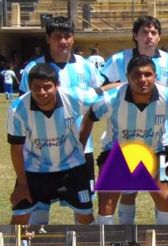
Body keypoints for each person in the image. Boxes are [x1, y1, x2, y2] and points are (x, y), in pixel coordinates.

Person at [100, 16, 168, 224]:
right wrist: (121, 87)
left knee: (164, 194)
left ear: (159, 37)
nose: (149, 37)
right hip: (126, 139)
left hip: (162, 140)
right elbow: (99, 87)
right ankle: (125, 231)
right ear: (135, 35)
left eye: (153, 33)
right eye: (144, 32)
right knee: (128, 191)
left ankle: (164, 230)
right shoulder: (119, 60)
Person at [80, 55, 168, 225]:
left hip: (153, 152)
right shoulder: (111, 99)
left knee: (167, 203)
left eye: (147, 74)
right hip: (117, 154)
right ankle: (106, 238)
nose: (142, 79)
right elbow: (90, 117)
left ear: (155, 76)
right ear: (128, 77)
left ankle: (167, 236)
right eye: (136, 75)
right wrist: (80, 149)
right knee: (106, 208)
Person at [18, 17, 104, 226]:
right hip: (41, 153)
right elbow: (24, 108)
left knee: (83, 209)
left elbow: (94, 104)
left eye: (67, 36)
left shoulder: (86, 67)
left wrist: (83, 138)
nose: (63, 41)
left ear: (73, 38)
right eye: (57, 36)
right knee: (38, 210)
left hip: (80, 150)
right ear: (48, 38)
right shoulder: (33, 68)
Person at [7, 63, 99, 225]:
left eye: (47, 87)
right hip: (35, 169)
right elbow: (16, 148)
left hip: (73, 167)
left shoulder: (74, 97)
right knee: (19, 219)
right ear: (29, 86)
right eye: (36, 87)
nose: (41, 92)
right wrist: (22, 183)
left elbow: (103, 91)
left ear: (57, 86)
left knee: (85, 216)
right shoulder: (18, 109)